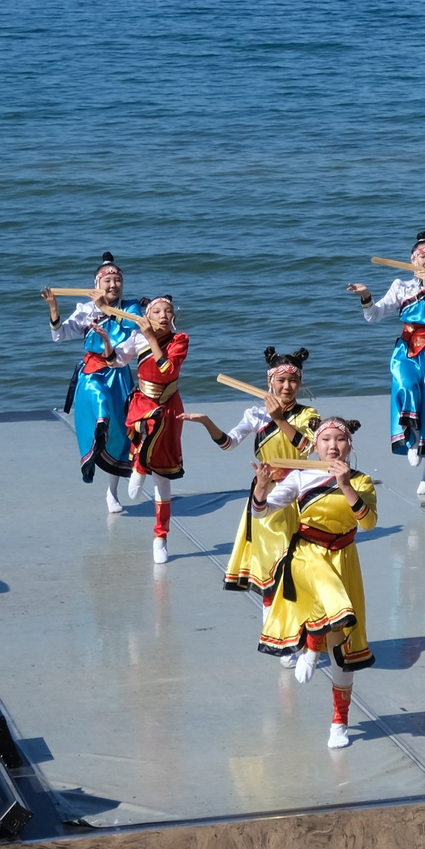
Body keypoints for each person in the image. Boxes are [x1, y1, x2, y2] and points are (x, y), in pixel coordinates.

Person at [250, 414, 378, 750]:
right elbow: (262, 512)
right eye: (326, 440)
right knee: (331, 601)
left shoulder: (362, 481)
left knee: (342, 648)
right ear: (316, 445)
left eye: (340, 439)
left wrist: (346, 485)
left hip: (344, 559)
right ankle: (310, 642)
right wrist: (261, 488)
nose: (333, 446)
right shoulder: (300, 476)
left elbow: (368, 523)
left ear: (350, 445)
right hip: (307, 556)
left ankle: (339, 720)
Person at [346, 230, 425, 496]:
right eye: (423, 255)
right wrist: (366, 295)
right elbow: (374, 315)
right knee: (406, 384)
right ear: (413, 260)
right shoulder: (401, 286)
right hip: (406, 349)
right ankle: (413, 436)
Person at [122, 295, 229, 567]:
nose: (162, 315)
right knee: (146, 427)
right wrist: (106, 338)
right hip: (143, 400)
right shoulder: (137, 338)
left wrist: (151, 339)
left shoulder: (179, 340)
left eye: (167, 311)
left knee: (163, 476)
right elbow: (115, 360)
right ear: (147, 317)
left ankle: (161, 537)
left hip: (169, 404)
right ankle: (139, 466)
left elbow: (167, 371)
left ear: (173, 317)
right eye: (156, 311)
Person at [219, 348, 322, 594]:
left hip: (299, 489)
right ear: (270, 381)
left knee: (298, 558)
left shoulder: (308, 415)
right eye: (281, 380)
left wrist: (279, 419)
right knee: (271, 559)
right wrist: (206, 423)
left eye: (293, 380)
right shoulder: (255, 415)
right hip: (266, 489)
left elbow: (308, 448)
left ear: (301, 383)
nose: (287, 386)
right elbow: (229, 443)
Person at [45, 253, 142, 510]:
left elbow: (129, 329)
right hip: (92, 371)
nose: (113, 285)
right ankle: (97, 435)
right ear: (97, 284)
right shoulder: (86, 310)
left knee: (121, 433)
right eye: (107, 281)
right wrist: (54, 308)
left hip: (118, 372)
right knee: (100, 406)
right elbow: (60, 335)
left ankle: (112, 492)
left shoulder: (131, 308)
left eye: (117, 280)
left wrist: (105, 308)